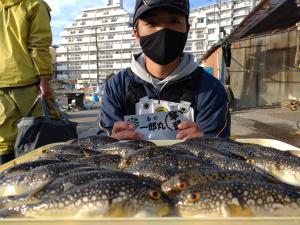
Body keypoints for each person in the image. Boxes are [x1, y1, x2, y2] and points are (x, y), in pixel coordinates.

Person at [99, 0, 231, 140]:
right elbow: (101, 145)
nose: (163, 31)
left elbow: (221, 150)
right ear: (136, 33)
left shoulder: (211, 90)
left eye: (174, 21)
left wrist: (207, 142)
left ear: (187, 29)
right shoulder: (117, 87)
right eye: (151, 22)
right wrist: (111, 141)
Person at [0, 0, 54, 164]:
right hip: (29, 83)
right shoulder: (35, 5)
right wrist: (44, 78)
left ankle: (7, 184)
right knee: (40, 136)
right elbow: (39, 45)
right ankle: (42, 182)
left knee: (3, 142)